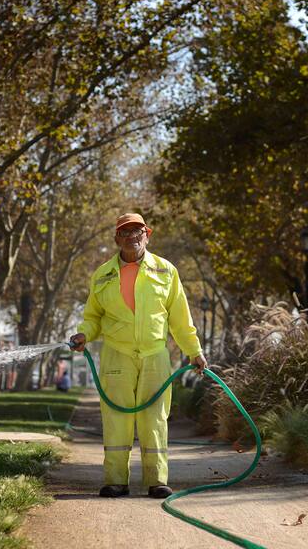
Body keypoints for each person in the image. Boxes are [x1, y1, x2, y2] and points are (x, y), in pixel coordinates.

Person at [70, 212, 208, 499]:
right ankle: (115, 481)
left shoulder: (166, 271)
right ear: (116, 238)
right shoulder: (102, 275)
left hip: (155, 355)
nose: (132, 236)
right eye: (125, 231)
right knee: (116, 418)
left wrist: (194, 351)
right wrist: (84, 334)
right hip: (116, 355)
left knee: (154, 417)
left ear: (148, 234)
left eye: (138, 231)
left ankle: (157, 480)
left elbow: (180, 319)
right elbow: (93, 317)